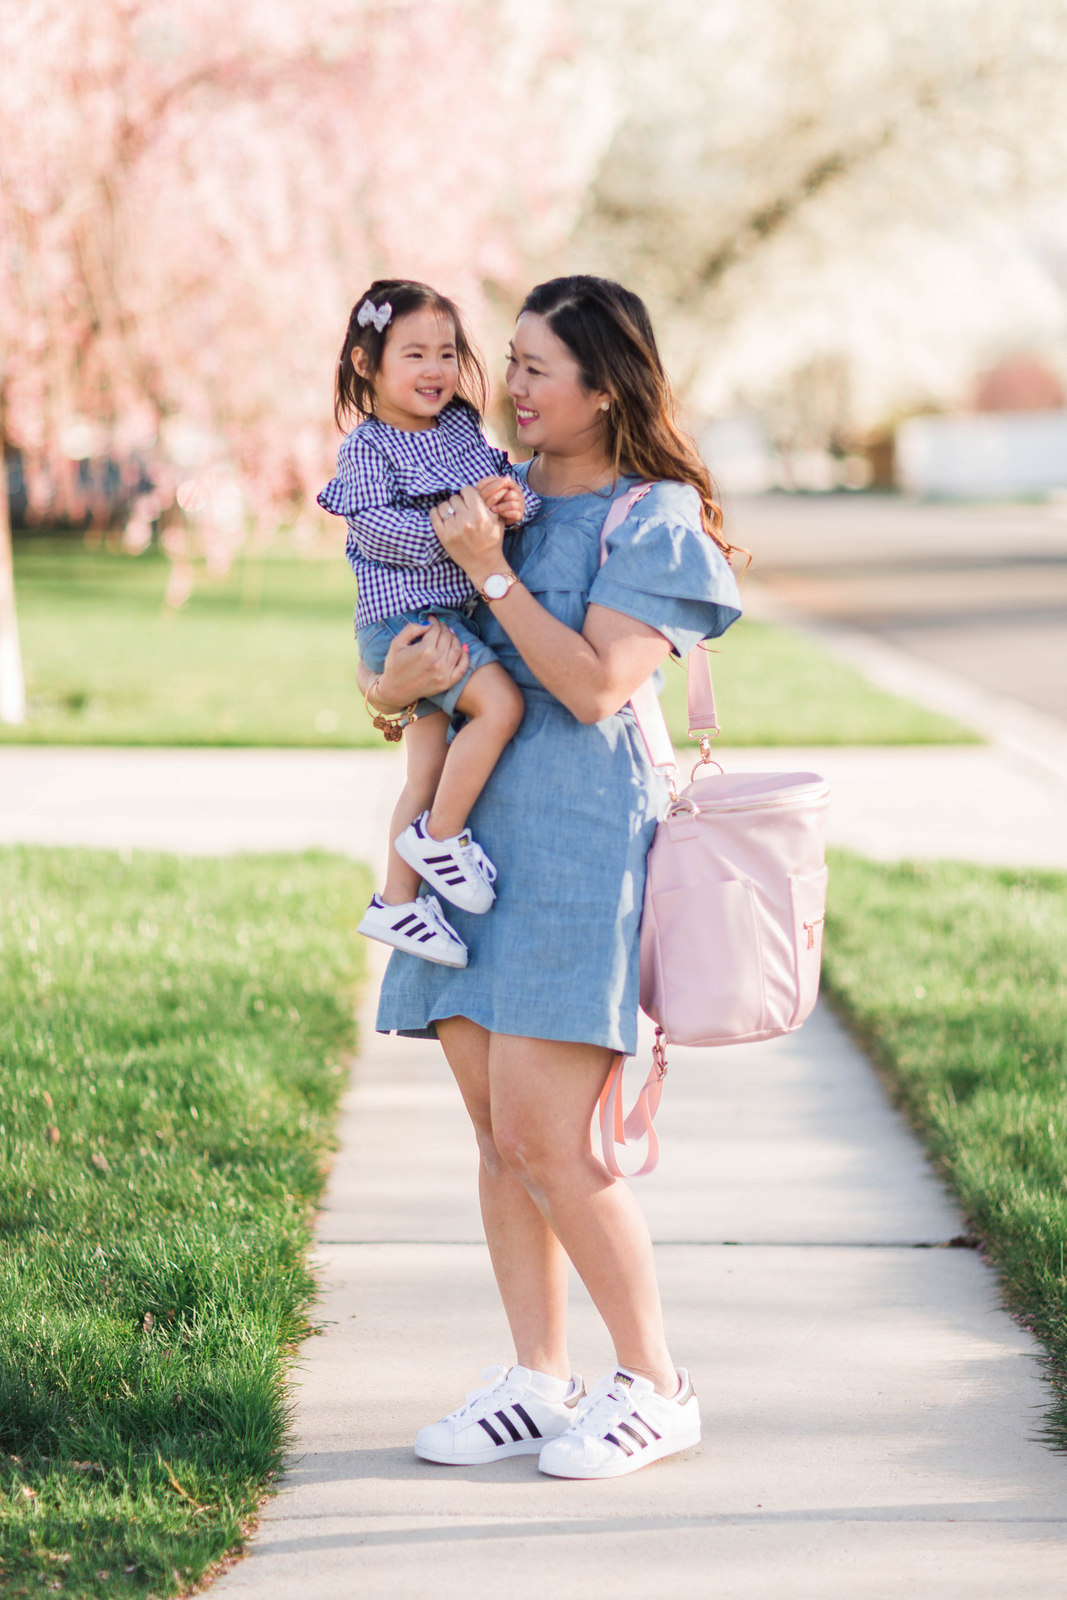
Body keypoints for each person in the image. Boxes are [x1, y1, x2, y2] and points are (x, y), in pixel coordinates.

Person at [356, 275, 743, 1480]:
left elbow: (588, 686)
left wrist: (490, 574)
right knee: (493, 1135)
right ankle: (535, 1377)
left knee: (550, 1135)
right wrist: (384, 688)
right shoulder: (485, 501)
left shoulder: (653, 518)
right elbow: (417, 676)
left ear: (605, 386)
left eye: (535, 368)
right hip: (468, 847)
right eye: (505, 361)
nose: (506, 386)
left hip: (580, 848)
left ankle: (655, 1383)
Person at [318, 279, 540, 970]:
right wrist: (459, 522)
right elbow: (377, 531)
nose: (436, 370)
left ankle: (396, 904)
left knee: (424, 769)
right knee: (499, 704)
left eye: (446, 354)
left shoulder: (459, 430)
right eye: (414, 355)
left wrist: (508, 503)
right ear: (366, 365)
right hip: (403, 623)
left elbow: (500, 488)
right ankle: (440, 837)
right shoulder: (369, 449)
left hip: (444, 612)